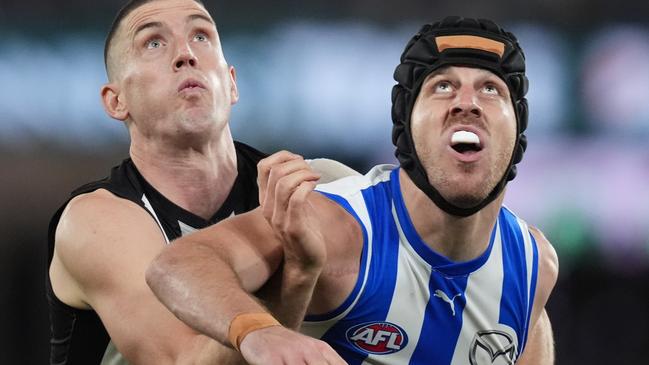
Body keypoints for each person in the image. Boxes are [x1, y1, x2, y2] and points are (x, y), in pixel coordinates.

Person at [147, 16, 559, 365]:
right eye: (442, 87)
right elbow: (178, 266)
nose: (466, 103)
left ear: (518, 132)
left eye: (491, 89)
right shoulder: (340, 226)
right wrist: (259, 333)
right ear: (406, 130)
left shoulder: (532, 266)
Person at [46, 0, 352, 363]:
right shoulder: (95, 223)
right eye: (154, 43)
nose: (185, 54)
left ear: (232, 84)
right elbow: (185, 359)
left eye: (201, 36)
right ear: (116, 101)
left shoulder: (320, 185)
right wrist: (298, 275)